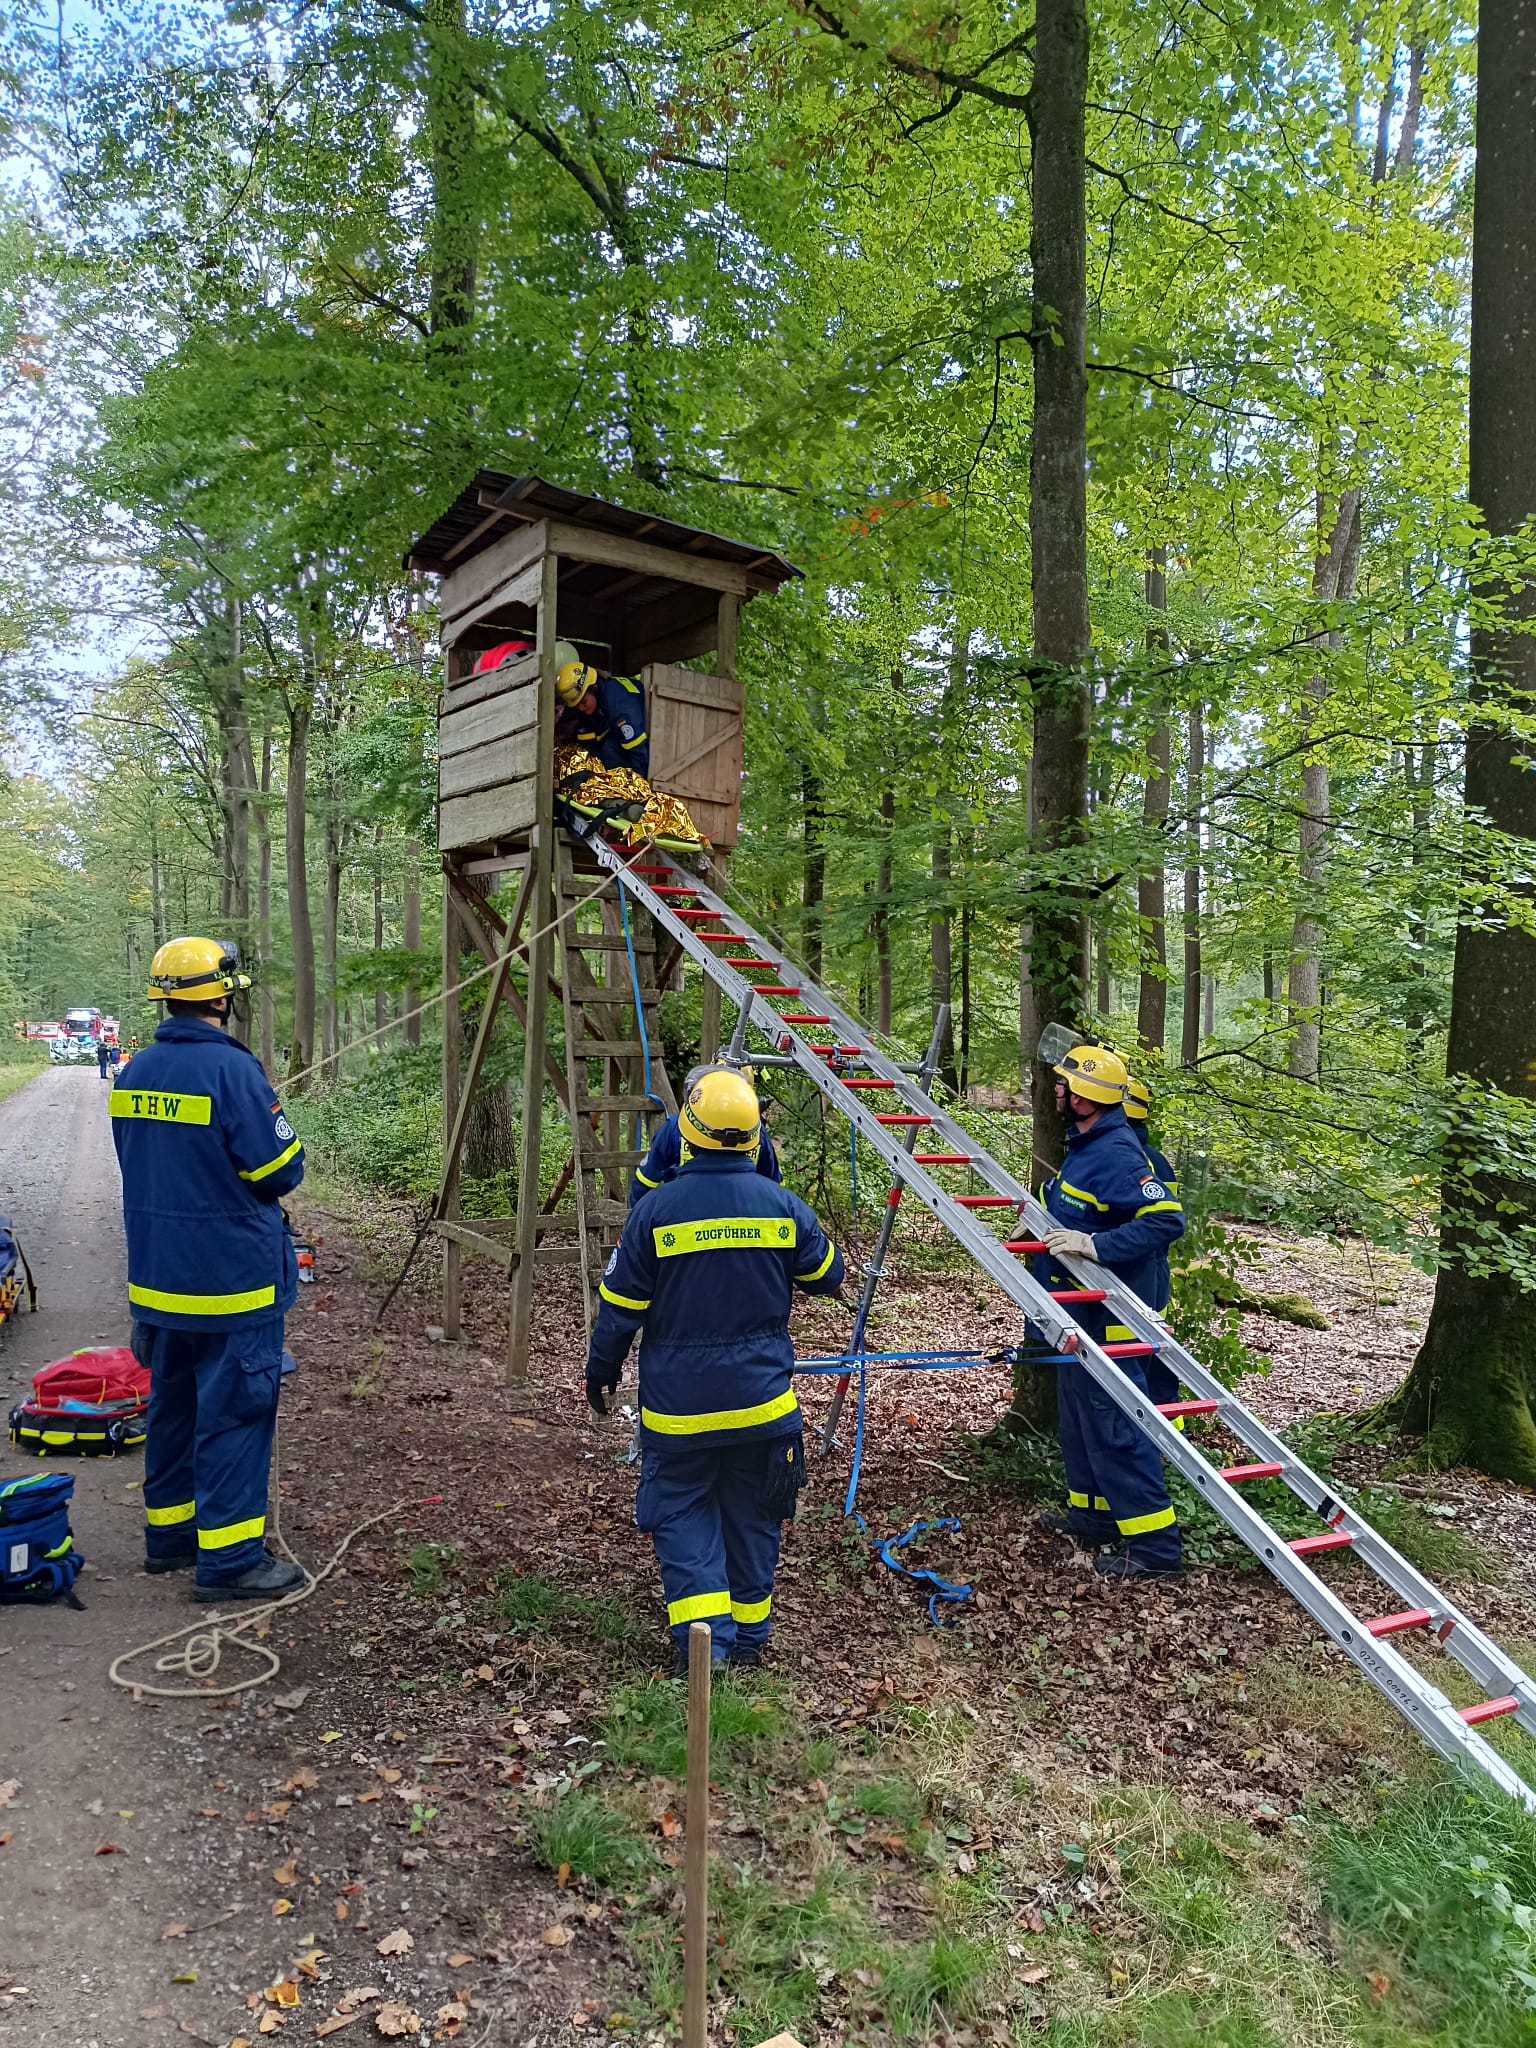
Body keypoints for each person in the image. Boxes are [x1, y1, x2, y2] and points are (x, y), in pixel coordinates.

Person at [585, 1068, 845, 1672]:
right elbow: (827, 1276)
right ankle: (748, 1643)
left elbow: (619, 1310)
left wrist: (601, 1370)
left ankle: (709, 1652)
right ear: (755, 1138)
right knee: (755, 1521)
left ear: (686, 1135)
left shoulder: (654, 1214)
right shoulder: (784, 1208)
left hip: (681, 1414)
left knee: (682, 1517)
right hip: (764, 1409)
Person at [110, 937, 307, 1603]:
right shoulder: (233, 1071)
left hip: (158, 1283)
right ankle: (231, 1562)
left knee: (173, 1407)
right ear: (222, 998)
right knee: (234, 1417)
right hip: (231, 1285)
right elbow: (278, 1172)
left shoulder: (134, 1071)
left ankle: (170, 1537)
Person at [1033, 1044, 1186, 1580]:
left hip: (1113, 1316)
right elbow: (1077, 1201)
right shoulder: (1086, 1145)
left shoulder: (1118, 1152)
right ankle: (1095, 1516)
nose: (1056, 1090)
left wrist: (1096, 1247)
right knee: (1080, 1418)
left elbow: (1165, 1220)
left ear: (1083, 1098)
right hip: (1079, 1311)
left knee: (1115, 1422)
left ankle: (1155, 1550)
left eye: (1063, 1085)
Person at [629, 1064, 781, 1208]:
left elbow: (645, 1183)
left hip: (684, 1214)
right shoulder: (756, 1132)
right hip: (743, 1213)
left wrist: (640, 1219)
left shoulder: (674, 1128)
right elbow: (774, 1186)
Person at [1124, 1075, 1182, 1417]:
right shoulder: (1157, 1160)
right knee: (1154, 1356)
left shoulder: (1127, 1160)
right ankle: (1169, 1428)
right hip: (1154, 1272)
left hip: (1133, 1273)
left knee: (1131, 1359)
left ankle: (1149, 1432)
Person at [556, 657, 649, 775]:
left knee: (609, 749)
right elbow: (587, 743)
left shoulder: (619, 706)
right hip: (621, 740)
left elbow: (639, 751)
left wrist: (637, 782)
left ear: (593, 689)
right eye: (576, 706)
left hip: (646, 742)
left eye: (584, 702)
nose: (581, 708)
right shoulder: (597, 698)